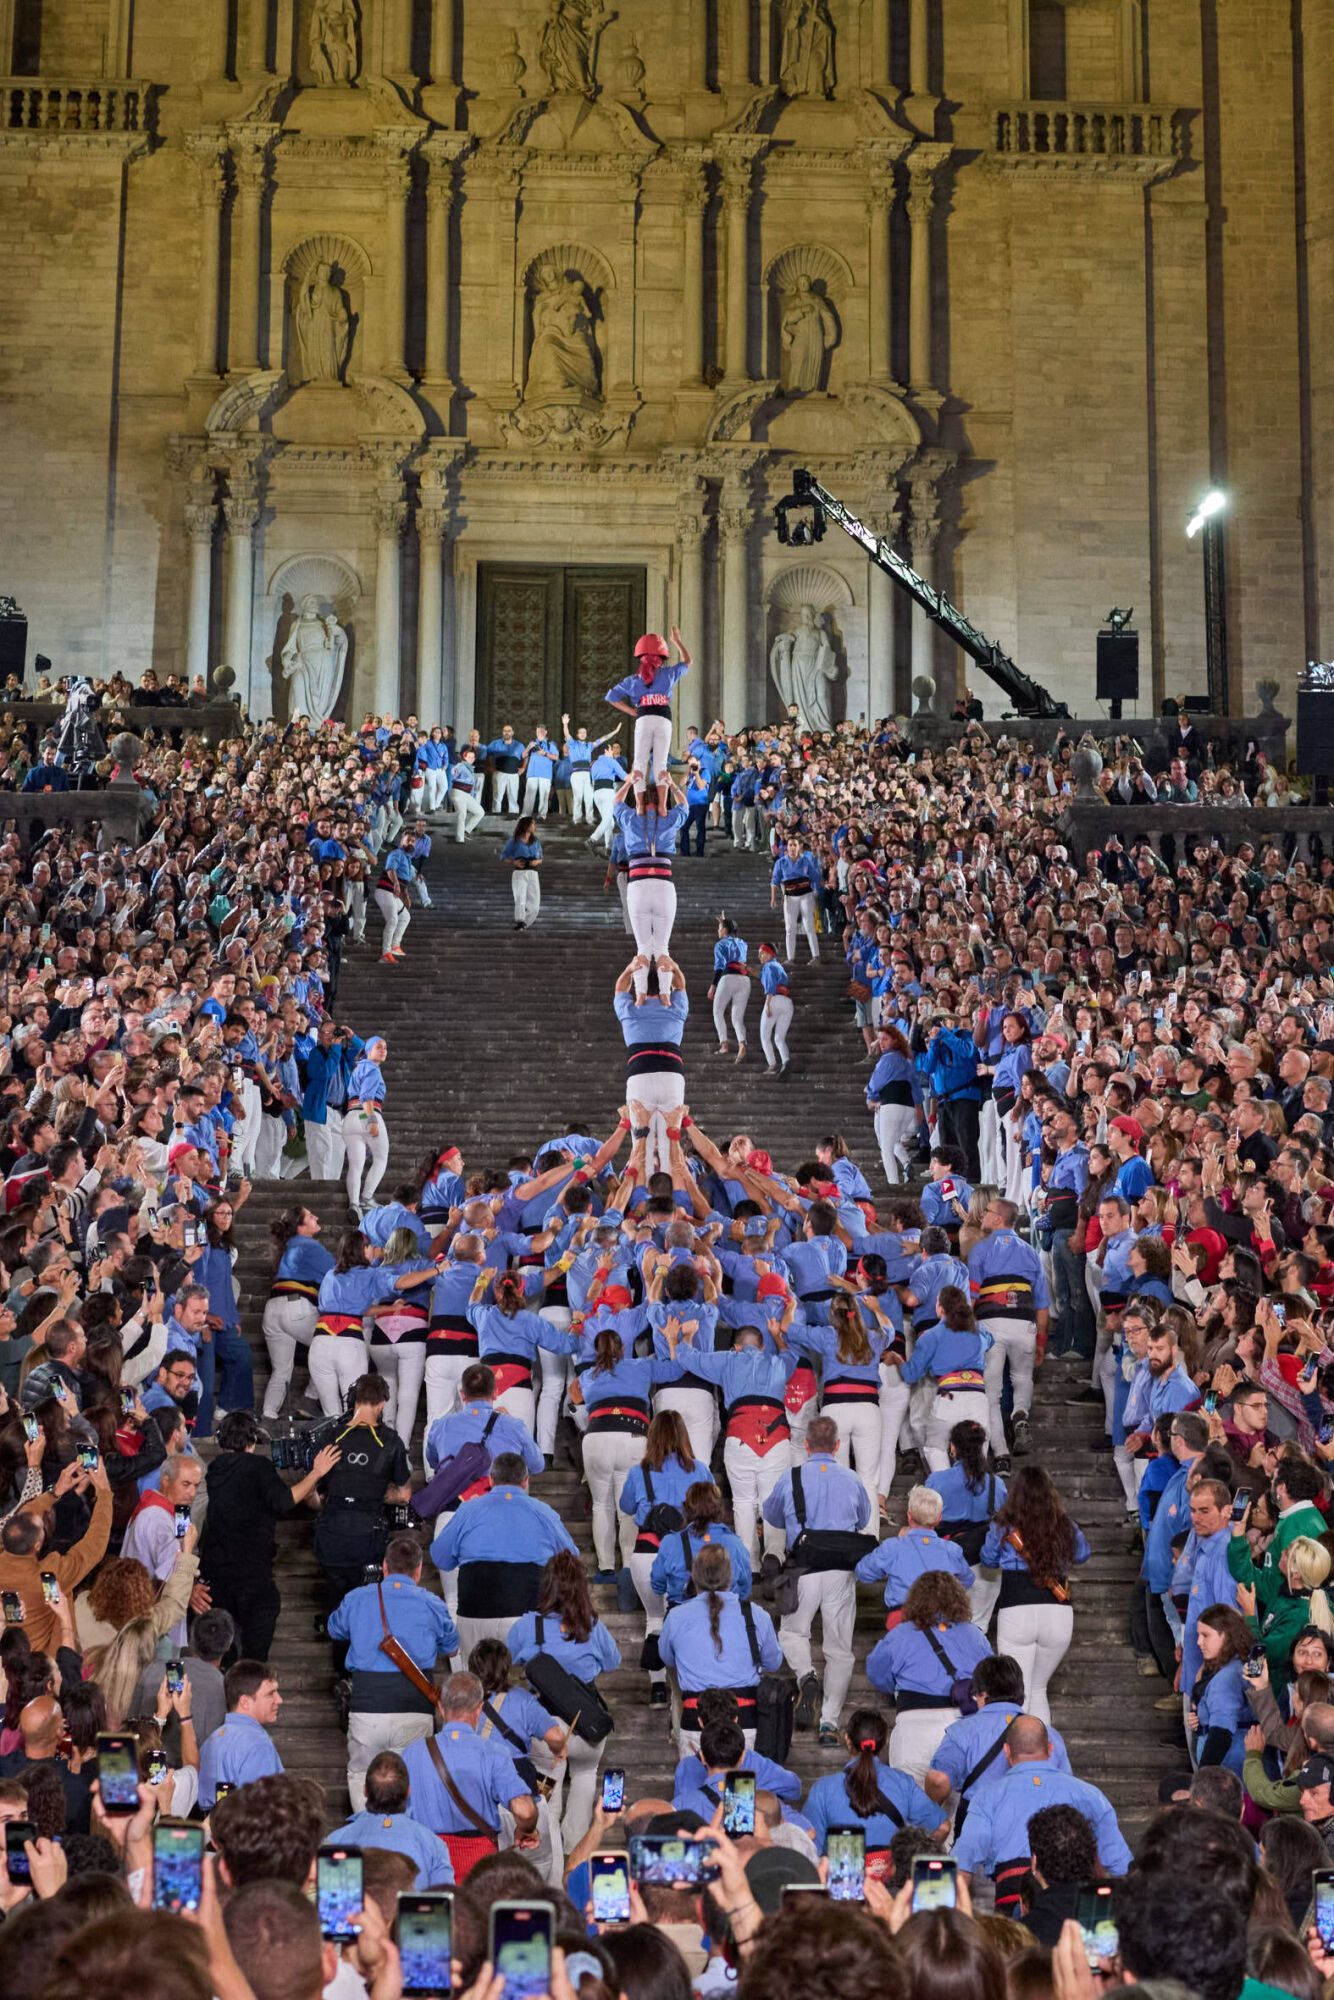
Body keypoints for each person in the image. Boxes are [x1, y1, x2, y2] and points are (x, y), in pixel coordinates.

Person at [327, 1531, 460, 1809]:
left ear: (384, 1567)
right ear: (419, 1570)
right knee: (410, 1776)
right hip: (414, 1705)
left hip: (366, 1706)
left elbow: (334, 1628)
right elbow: (452, 1648)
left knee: (362, 1774)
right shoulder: (432, 1604)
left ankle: (368, 1839)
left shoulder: (358, 1598)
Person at [762, 1416, 872, 1745]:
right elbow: (864, 1518)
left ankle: (807, 1676)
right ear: (838, 1446)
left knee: (792, 1632)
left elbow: (771, 1514)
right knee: (839, 1649)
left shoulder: (791, 1476)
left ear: (806, 1445)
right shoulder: (852, 1479)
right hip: (841, 1571)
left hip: (804, 1569)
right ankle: (829, 1723)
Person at [952, 1714, 1132, 1911]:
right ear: (1051, 1749)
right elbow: (1120, 1866)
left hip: (1013, 1897)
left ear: (1006, 1751)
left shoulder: (986, 1797)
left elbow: (962, 1868)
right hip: (1074, 1902)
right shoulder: (1090, 1794)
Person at [199, 1411, 339, 1662]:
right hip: (252, 1573)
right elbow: (284, 1501)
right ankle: (250, 1678)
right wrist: (316, 1473)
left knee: (223, 1647)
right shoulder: (258, 1466)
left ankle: (228, 1677)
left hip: (217, 1573)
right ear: (252, 1440)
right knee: (257, 1643)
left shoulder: (214, 1470)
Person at [507, 1550, 621, 1847]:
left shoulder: (528, 1625)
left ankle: (549, 1852)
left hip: (545, 1726)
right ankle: (574, 1850)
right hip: (587, 1724)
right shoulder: (593, 1626)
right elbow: (613, 1662)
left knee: (549, 1789)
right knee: (585, 1776)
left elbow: (512, 1657)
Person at [429, 1452, 578, 1663]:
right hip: (527, 1613)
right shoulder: (543, 1512)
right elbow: (571, 1558)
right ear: (525, 1481)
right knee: (530, 1683)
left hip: (474, 1611)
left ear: (490, 1479)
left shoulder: (468, 1509)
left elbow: (440, 1557)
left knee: (478, 1686)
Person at [400, 1670, 539, 1882]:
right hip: (478, 1864)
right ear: (480, 1710)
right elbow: (525, 1810)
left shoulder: (412, 1753)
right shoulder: (494, 1753)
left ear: (440, 1708)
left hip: (426, 1859)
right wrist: (527, 1830)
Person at [980, 1466, 1089, 1727]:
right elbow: (1083, 1554)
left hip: (1017, 1608)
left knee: (1019, 1692)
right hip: (1058, 1609)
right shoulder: (1065, 1524)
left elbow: (987, 1558)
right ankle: (1040, 1753)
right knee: (1038, 1688)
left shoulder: (1003, 1526)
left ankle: (1019, 1755)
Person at [866, 1570, 994, 1781]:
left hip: (914, 1726)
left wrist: (896, 1686)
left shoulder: (900, 1635)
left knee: (911, 1801)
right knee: (956, 1805)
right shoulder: (974, 1635)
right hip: (962, 1722)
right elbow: (991, 1678)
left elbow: (877, 1673)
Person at [658, 1543, 784, 1752]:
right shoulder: (756, 1615)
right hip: (744, 1720)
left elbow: (667, 1659)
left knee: (695, 1784)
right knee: (741, 1784)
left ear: (694, 1577)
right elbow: (774, 1662)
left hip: (695, 1720)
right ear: (730, 1577)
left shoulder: (676, 1617)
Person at [312, 1371, 412, 1625]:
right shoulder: (390, 1441)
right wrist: (375, 1493)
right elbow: (404, 1493)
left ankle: (338, 1655)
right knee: (367, 1607)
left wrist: (331, 1500)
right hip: (369, 1537)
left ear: (354, 1400)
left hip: (331, 1534)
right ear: (382, 1404)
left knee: (337, 1604)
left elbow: (309, 1490)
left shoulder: (329, 1435)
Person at [619, 1413, 705, 1705]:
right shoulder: (700, 1470)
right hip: (687, 1554)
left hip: (647, 1552)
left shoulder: (638, 1472)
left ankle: (657, 1689)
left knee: (655, 1617)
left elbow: (626, 1506)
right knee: (687, 1616)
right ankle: (687, 1684)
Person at [924, 1653, 1071, 1818]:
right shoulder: (1049, 1735)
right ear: (1020, 1691)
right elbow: (1066, 1788)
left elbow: (938, 1780)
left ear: (981, 1693)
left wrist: (930, 1814)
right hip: (1035, 1825)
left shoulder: (961, 1731)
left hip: (979, 1821)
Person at [968, 1198, 1050, 1468]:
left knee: (991, 1392)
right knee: (1022, 1378)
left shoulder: (980, 1250)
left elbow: (971, 1296)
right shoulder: (1030, 1252)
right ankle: (1021, 1413)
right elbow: (1042, 1304)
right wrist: (1041, 1340)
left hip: (990, 1324)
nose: (983, 1215)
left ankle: (1001, 1454)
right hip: (1024, 1323)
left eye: (988, 1211)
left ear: (998, 1219)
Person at [327, 1747, 455, 1887]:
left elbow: (332, 1905)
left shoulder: (334, 1842)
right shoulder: (434, 1846)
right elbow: (442, 1904)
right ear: (408, 1792)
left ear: (365, 1791)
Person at [604, 629, 692, 819]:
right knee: (660, 765)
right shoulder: (668, 674)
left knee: (640, 764)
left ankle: (639, 806)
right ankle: (662, 806)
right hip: (663, 719)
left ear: (641, 657)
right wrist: (677, 641)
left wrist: (631, 711)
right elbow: (688, 662)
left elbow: (611, 696)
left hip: (643, 718)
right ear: (661, 656)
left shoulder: (633, 680)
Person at [261, 1204, 334, 1421]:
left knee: (281, 1370)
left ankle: (267, 1416)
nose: (317, 1217)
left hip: (273, 1308)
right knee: (333, 1345)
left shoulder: (289, 1248)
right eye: (311, 1216)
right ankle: (310, 1398)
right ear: (300, 1227)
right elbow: (339, 1273)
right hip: (296, 1307)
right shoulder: (309, 1246)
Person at [854, 1484, 975, 1612]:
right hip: (941, 1618)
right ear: (939, 1519)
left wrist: (886, 1569)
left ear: (909, 1515)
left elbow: (863, 1572)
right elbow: (967, 1580)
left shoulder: (893, 1547)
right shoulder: (952, 1550)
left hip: (902, 1617)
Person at [197, 1659, 286, 1809]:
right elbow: (262, 1808)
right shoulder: (257, 1744)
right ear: (245, 1702)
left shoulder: (214, 1738)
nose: (279, 1700)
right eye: (271, 1694)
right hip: (245, 1828)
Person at [343, 1034, 392, 1220]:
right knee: (381, 1158)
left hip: (350, 1117)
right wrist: (371, 1120)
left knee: (356, 1164)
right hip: (367, 1114)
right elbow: (366, 1096)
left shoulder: (358, 1068)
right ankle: (366, 1197)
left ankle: (353, 1204)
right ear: (368, 1050)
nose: (383, 1050)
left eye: (385, 1047)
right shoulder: (372, 1070)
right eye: (378, 1047)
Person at [769, 835, 821, 964]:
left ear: (799, 847)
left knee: (809, 925)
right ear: (787, 847)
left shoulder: (805, 861)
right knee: (790, 928)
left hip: (806, 895)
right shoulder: (781, 862)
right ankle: (790, 958)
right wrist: (773, 898)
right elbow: (775, 881)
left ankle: (816, 956)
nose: (792, 847)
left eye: (795, 845)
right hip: (790, 896)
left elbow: (815, 876)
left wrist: (818, 889)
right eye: (790, 845)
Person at [710, 916, 751, 1062]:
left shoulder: (720, 944)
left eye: (720, 928)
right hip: (745, 980)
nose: (718, 930)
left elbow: (720, 966)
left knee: (717, 1011)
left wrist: (713, 985)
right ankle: (742, 1044)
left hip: (728, 977)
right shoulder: (742, 943)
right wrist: (726, 921)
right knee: (737, 1017)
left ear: (725, 930)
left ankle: (724, 1044)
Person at [757, 943, 794, 1077]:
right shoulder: (778, 966)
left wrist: (768, 1004)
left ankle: (772, 1065)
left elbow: (770, 985)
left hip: (774, 1000)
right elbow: (764, 977)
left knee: (765, 1036)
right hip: (787, 1002)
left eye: (762, 953)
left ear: (769, 953)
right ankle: (786, 1060)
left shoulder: (768, 966)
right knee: (779, 1038)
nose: (759, 956)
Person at [501, 816, 543, 931]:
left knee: (534, 905)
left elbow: (541, 858)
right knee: (520, 898)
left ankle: (524, 924)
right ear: (526, 825)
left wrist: (536, 861)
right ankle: (520, 921)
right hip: (519, 871)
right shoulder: (514, 841)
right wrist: (514, 861)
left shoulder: (536, 841)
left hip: (533, 872)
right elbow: (503, 856)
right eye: (533, 824)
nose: (535, 826)